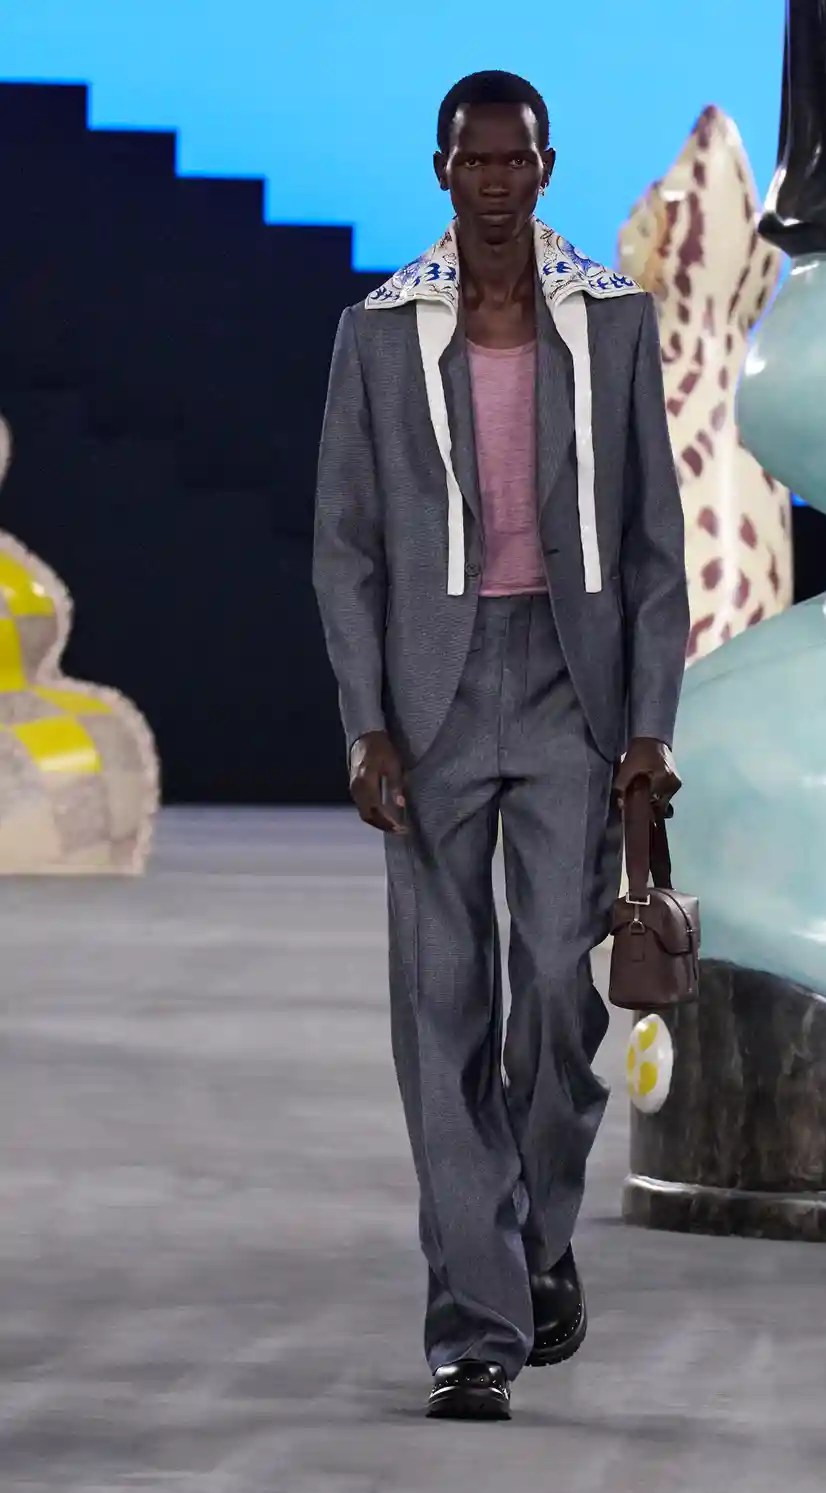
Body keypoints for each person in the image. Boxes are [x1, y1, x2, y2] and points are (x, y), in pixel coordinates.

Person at [313, 70, 688, 1421]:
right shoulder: (379, 334)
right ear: (441, 172)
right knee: (442, 1009)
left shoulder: (611, 321)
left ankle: (532, 1230)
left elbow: (653, 543)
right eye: (470, 160)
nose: (491, 181)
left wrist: (648, 725)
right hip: (431, 703)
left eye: (512, 160)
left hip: (570, 694)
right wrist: (365, 724)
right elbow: (347, 549)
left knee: (556, 993)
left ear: (545, 169)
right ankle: (476, 1326)